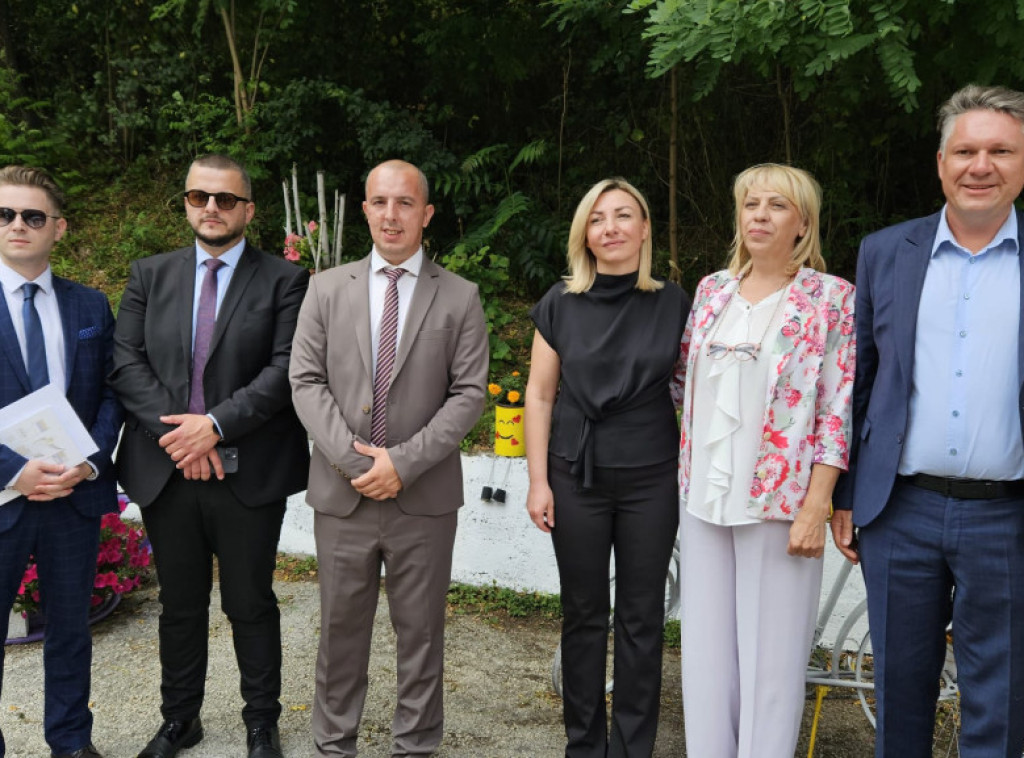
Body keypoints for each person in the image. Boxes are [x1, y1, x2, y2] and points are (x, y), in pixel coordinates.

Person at [832, 84, 1024, 757]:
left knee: (1001, 699)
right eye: (965, 151)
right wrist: (845, 493)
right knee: (899, 691)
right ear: (941, 163)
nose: (981, 166)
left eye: (1001, 151)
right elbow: (860, 381)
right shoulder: (886, 252)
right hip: (899, 512)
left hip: (1008, 517)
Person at [108, 154, 310, 758]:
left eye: (225, 199)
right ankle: (180, 720)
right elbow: (126, 363)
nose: (212, 208)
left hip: (249, 472)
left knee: (251, 603)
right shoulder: (149, 275)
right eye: (199, 197)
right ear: (186, 204)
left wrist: (215, 428)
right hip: (166, 469)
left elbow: (285, 369)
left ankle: (261, 722)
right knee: (179, 605)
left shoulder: (285, 280)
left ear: (249, 210)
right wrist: (184, 438)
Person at [288, 159, 488, 757]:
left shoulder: (460, 296)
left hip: (422, 498)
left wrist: (401, 463)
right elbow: (305, 381)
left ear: (426, 213)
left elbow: (469, 394)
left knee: (421, 635)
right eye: (380, 202)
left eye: (405, 203)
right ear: (365, 210)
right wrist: (358, 465)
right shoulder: (326, 289)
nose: (391, 214)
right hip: (343, 496)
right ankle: (333, 744)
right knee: (338, 631)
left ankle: (416, 746)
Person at [673, 164, 854, 758]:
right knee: (705, 656)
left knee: (771, 663)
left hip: (782, 502)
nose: (760, 215)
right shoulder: (711, 290)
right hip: (703, 496)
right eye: (751, 204)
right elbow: (681, 385)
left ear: (803, 223)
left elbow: (837, 409)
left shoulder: (831, 298)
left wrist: (817, 505)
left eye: (777, 205)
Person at [524, 177, 691, 757]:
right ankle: (585, 746)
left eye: (622, 215)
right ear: (584, 235)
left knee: (642, 620)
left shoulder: (675, 303)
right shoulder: (559, 302)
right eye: (597, 219)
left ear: (644, 229)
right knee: (583, 614)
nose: (610, 227)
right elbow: (539, 395)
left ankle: (631, 748)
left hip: (652, 478)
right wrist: (538, 481)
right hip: (575, 476)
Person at [0, 166, 122, 758]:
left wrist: (88, 463)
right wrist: (11, 472)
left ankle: (71, 743)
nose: (17, 225)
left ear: (59, 228)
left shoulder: (89, 304)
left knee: (71, 629)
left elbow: (112, 393)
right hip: (3, 496)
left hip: (74, 495)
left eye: (32, 215)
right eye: (5, 214)